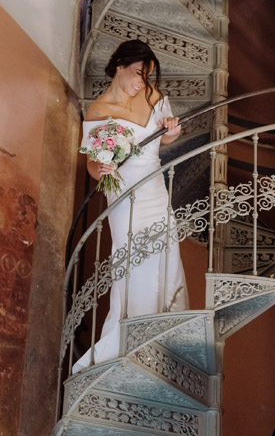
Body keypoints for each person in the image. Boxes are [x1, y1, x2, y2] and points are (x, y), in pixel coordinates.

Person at [72, 39, 189, 373]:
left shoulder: (152, 96)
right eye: (138, 72)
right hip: (122, 193)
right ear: (120, 64)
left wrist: (172, 130)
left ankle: (162, 337)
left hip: (153, 187)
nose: (142, 81)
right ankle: (128, 341)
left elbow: (165, 138)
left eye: (148, 75)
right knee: (133, 263)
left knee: (166, 254)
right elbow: (92, 166)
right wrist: (102, 168)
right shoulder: (97, 111)